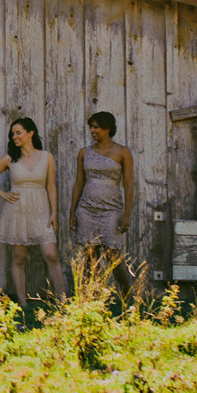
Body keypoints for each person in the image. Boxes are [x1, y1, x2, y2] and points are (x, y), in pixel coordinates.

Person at [0, 118, 66, 307]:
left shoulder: (46, 157)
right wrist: (3, 194)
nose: (14, 137)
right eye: (12, 134)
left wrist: (54, 213)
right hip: (17, 211)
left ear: (30, 133)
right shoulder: (9, 159)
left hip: (41, 210)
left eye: (18, 132)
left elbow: (51, 186)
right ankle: (22, 304)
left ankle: (63, 301)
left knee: (51, 253)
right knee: (19, 257)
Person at [69, 110, 135, 294]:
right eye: (91, 127)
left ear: (108, 128)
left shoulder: (122, 152)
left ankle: (127, 296)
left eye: (96, 127)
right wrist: (72, 212)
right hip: (87, 209)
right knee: (90, 256)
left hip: (111, 210)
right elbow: (79, 183)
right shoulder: (84, 152)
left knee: (112, 255)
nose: (92, 130)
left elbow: (129, 184)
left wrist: (127, 214)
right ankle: (92, 298)